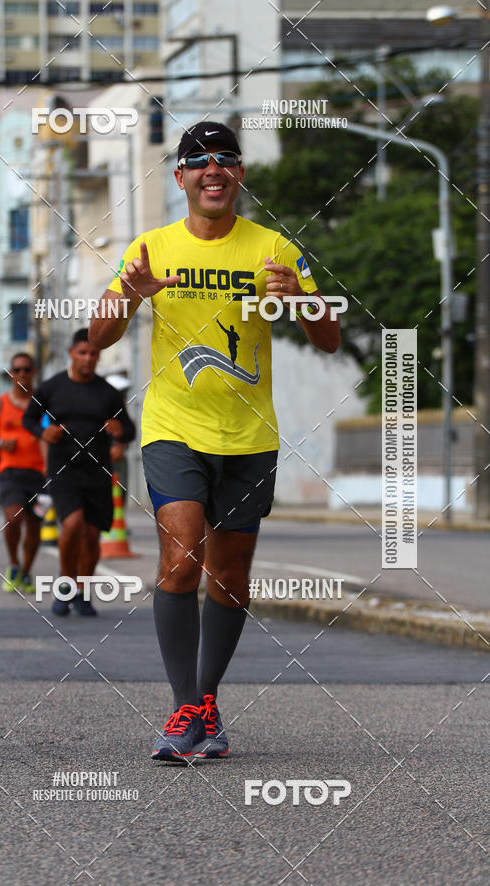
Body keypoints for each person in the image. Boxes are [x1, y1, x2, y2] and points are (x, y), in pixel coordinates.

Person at [90, 120, 340, 761]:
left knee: (230, 577)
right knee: (180, 557)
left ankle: (206, 700)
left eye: (224, 158)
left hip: (250, 436)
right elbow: (98, 337)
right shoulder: (150, 247)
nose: (212, 169)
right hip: (174, 427)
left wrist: (302, 302)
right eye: (197, 160)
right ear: (179, 178)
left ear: (239, 175)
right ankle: (182, 711)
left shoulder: (275, 249)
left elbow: (330, 338)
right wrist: (126, 293)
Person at [22, 330, 136, 617]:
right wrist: (44, 432)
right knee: (72, 525)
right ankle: (65, 585)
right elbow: (29, 419)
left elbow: (130, 430)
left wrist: (121, 436)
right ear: (71, 354)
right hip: (64, 469)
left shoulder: (107, 393)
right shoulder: (51, 388)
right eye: (82, 353)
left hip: (98, 471)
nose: (88, 359)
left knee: (91, 535)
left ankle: (82, 592)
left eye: (93, 354)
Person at [0, 352, 46, 593]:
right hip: (10, 471)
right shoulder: (1, 403)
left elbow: (52, 433)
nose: (23, 374)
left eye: (27, 369)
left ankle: (26, 572)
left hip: (39, 473)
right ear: (11, 374)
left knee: (35, 526)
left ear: (34, 371)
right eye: (17, 370)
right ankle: (14, 564)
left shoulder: (42, 404)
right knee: (13, 518)